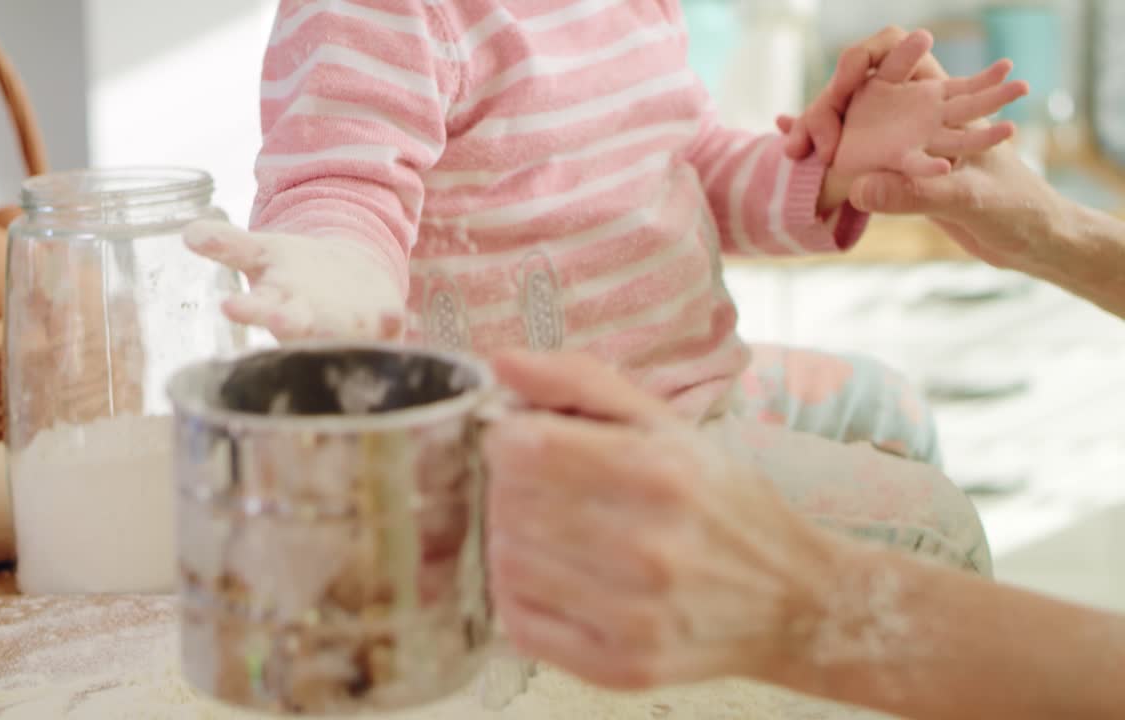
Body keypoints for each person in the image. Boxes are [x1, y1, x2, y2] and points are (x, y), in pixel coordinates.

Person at [185, 2, 1028, 574]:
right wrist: (339, 268)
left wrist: (836, 168)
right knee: (937, 531)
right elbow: (343, 183)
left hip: (688, 395)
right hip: (545, 463)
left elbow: (687, 162)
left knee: (891, 407)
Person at [482, 28, 1125, 720]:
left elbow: (687, 160)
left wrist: (807, 606)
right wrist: (1053, 227)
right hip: (575, 415)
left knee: (934, 522)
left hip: (677, 392)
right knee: (886, 406)